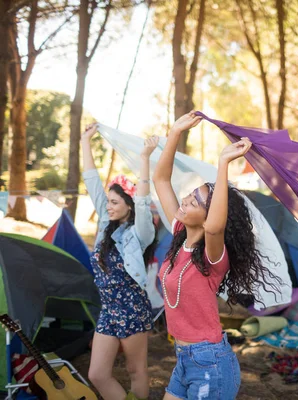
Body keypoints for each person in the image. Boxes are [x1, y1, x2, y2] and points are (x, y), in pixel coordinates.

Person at [153, 111, 279, 400]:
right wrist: (174, 133)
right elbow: (160, 179)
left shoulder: (213, 256)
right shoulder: (179, 235)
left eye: (196, 200)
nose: (185, 199)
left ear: (208, 214)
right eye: (190, 194)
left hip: (210, 363)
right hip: (184, 358)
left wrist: (223, 166)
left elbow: (215, 226)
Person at [81, 123, 158, 400]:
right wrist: (85, 141)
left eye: (115, 202)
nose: (108, 206)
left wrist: (145, 159)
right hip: (109, 310)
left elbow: (143, 199)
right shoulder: (106, 225)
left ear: (128, 204)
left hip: (132, 308)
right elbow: (91, 181)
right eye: (108, 202)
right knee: (97, 374)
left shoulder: (139, 235)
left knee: (137, 371)